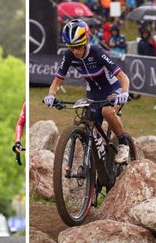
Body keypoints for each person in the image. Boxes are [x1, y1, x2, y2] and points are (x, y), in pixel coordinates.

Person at [43, 19, 131, 163]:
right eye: (71, 47)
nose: (75, 51)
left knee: (107, 112)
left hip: (113, 89)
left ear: (86, 40)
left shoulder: (96, 51)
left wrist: (125, 92)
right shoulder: (69, 55)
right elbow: (57, 80)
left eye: (78, 46)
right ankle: (96, 163)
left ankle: (123, 144)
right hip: (93, 94)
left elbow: (122, 76)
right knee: (83, 121)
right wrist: (51, 95)